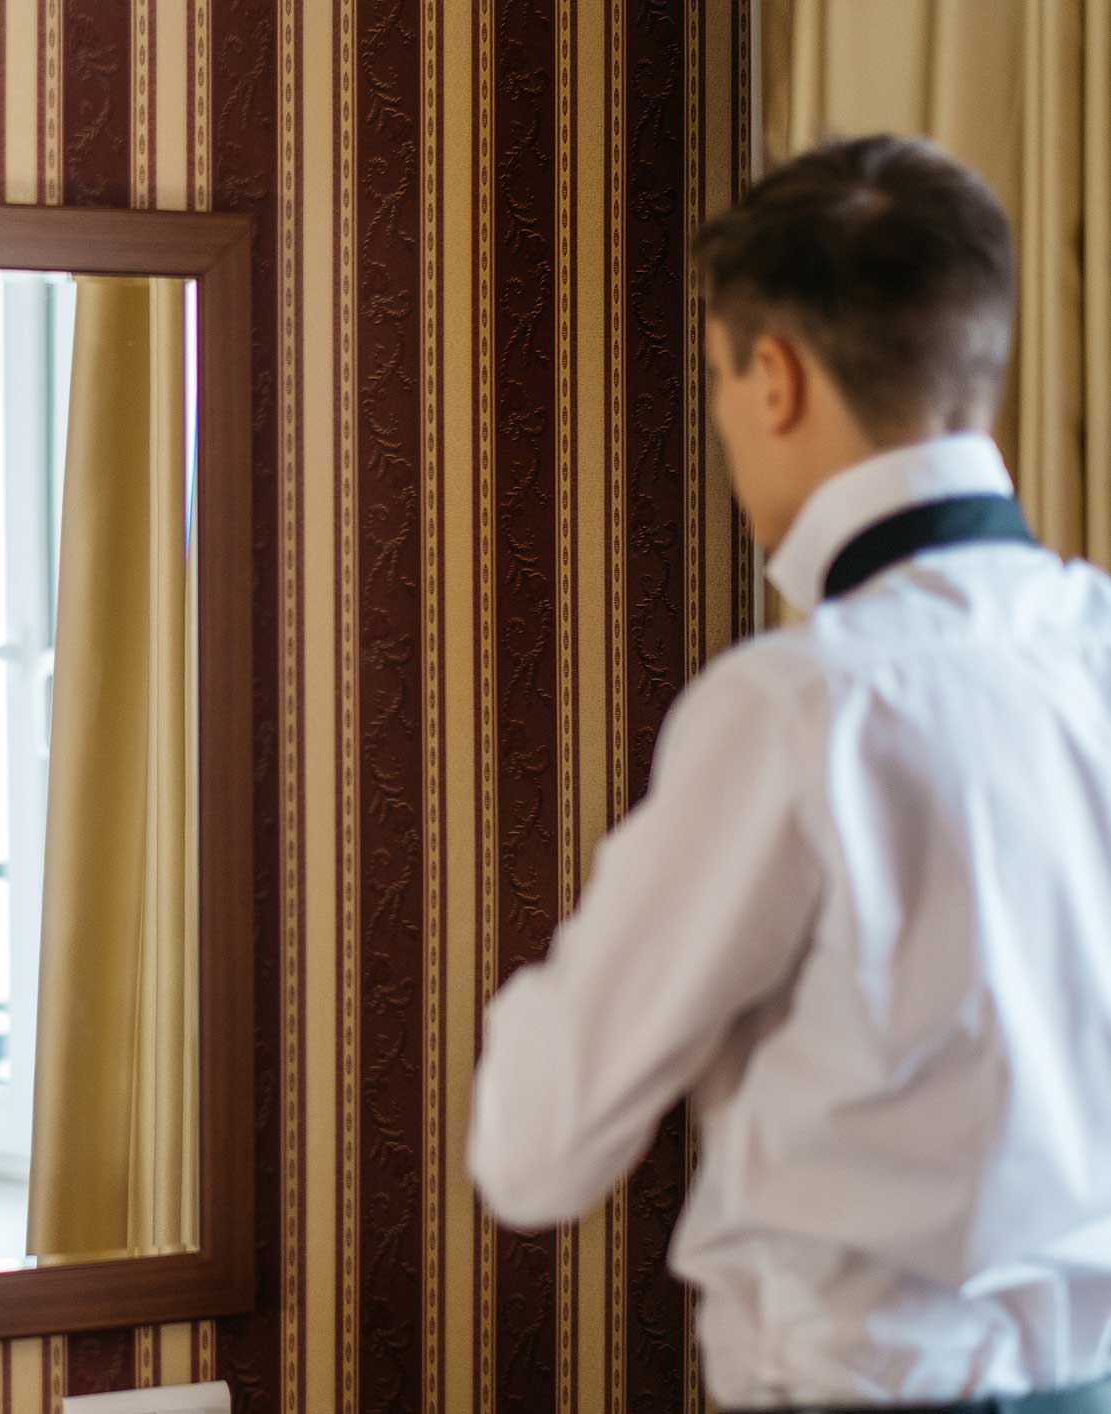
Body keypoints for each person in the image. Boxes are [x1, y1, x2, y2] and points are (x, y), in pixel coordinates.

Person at [470, 135, 1111, 1411]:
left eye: (715, 376)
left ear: (775, 377)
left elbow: (533, 1152)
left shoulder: (796, 709)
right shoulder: (1096, 642)